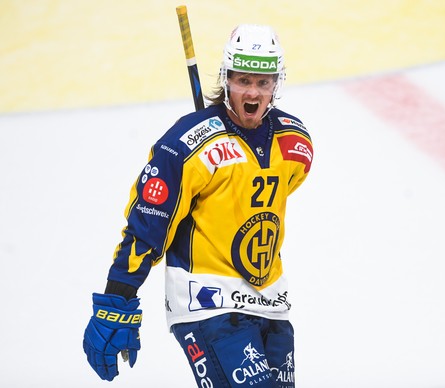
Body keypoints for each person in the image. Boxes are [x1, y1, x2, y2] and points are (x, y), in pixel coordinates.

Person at [82, 24, 313, 388]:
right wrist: (118, 295)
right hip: (206, 301)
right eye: (242, 80)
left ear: (276, 83)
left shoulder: (295, 140)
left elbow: (277, 190)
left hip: (270, 299)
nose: (252, 92)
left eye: (263, 82)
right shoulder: (185, 144)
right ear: (226, 78)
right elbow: (149, 222)